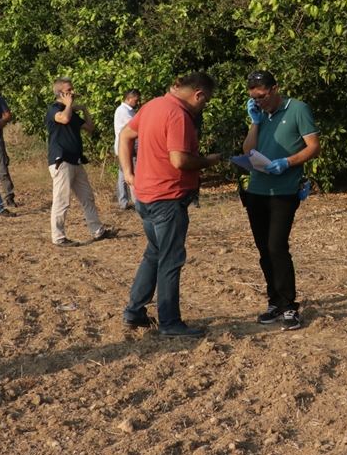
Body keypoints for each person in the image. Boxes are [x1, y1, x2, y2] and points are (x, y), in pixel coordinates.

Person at [120, 72, 226, 338]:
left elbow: (125, 135)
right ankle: (169, 322)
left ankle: (134, 312)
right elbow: (179, 160)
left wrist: (129, 174)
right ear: (198, 94)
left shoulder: (153, 105)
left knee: (154, 254)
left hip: (146, 195)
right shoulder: (178, 115)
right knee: (170, 259)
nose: (205, 106)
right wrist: (209, 161)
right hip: (167, 198)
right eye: (206, 100)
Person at [242, 70, 321, 331]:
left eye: (262, 96)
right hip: (257, 191)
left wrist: (286, 162)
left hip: (284, 192)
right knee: (264, 250)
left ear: (275, 89)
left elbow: (313, 147)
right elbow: (248, 151)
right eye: (254, 97)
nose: (259, 101)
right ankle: (274, 302)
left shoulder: (298, 109)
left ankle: (289, 306)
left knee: (277, 247)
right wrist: (254, 122)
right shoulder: (258, 114)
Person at [46, 77, 113, 247]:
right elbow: (64, 119)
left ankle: (98, 231)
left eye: (72, 89)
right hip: (62, 161)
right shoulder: (54, 109)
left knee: (87, 197)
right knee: (62, 200)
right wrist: (69, 105)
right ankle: (58, 238)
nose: (73, 92)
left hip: (75, 161)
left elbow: (90, 128)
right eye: (69, 90)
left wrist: (83, 109)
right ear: (60, 93)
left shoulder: (72, 112)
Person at [114, 89, 141, 210]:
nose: (138, 103)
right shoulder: (125, 112)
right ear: (128, 99)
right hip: (127, 148)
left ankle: (123, 202)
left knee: (123, 174)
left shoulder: (125, 110)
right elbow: (136, 127)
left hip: (123, 147)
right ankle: (136, 202)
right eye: (136, 100)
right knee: (131, 173)